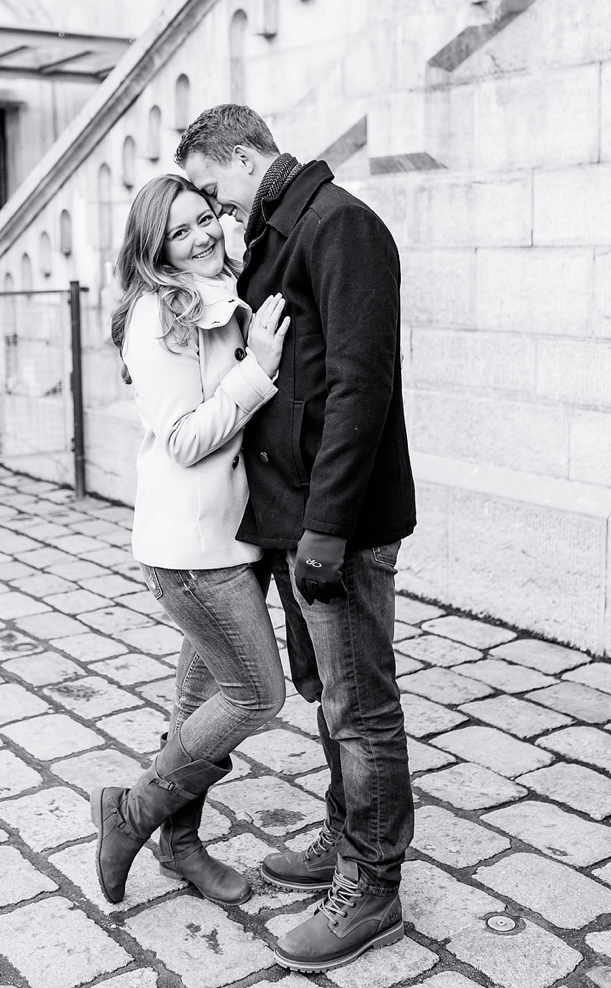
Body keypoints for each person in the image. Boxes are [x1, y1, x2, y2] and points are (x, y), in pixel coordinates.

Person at [177, 104, 416, 973]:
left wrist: (324, 531)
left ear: (244, 157)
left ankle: (374, 882)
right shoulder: (283, 229)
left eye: (214, 190)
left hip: (337, 527)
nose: (213, 212)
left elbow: (361, 388)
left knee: (361, 706)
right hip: (297, 524)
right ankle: (346, 833)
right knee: (330, 697)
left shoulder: (342, 224)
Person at [91, 173, 289, 909]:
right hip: (193, 551)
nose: (203, 235)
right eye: (182, 230)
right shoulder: (157, 314)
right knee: (257, 695)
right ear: (155, 248)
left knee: (195, 707)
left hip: (237, 536)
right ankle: (131, 813)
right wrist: (256, 368)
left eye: (206, 218)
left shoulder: (220, 288)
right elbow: (184, 438)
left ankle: (181, 846)